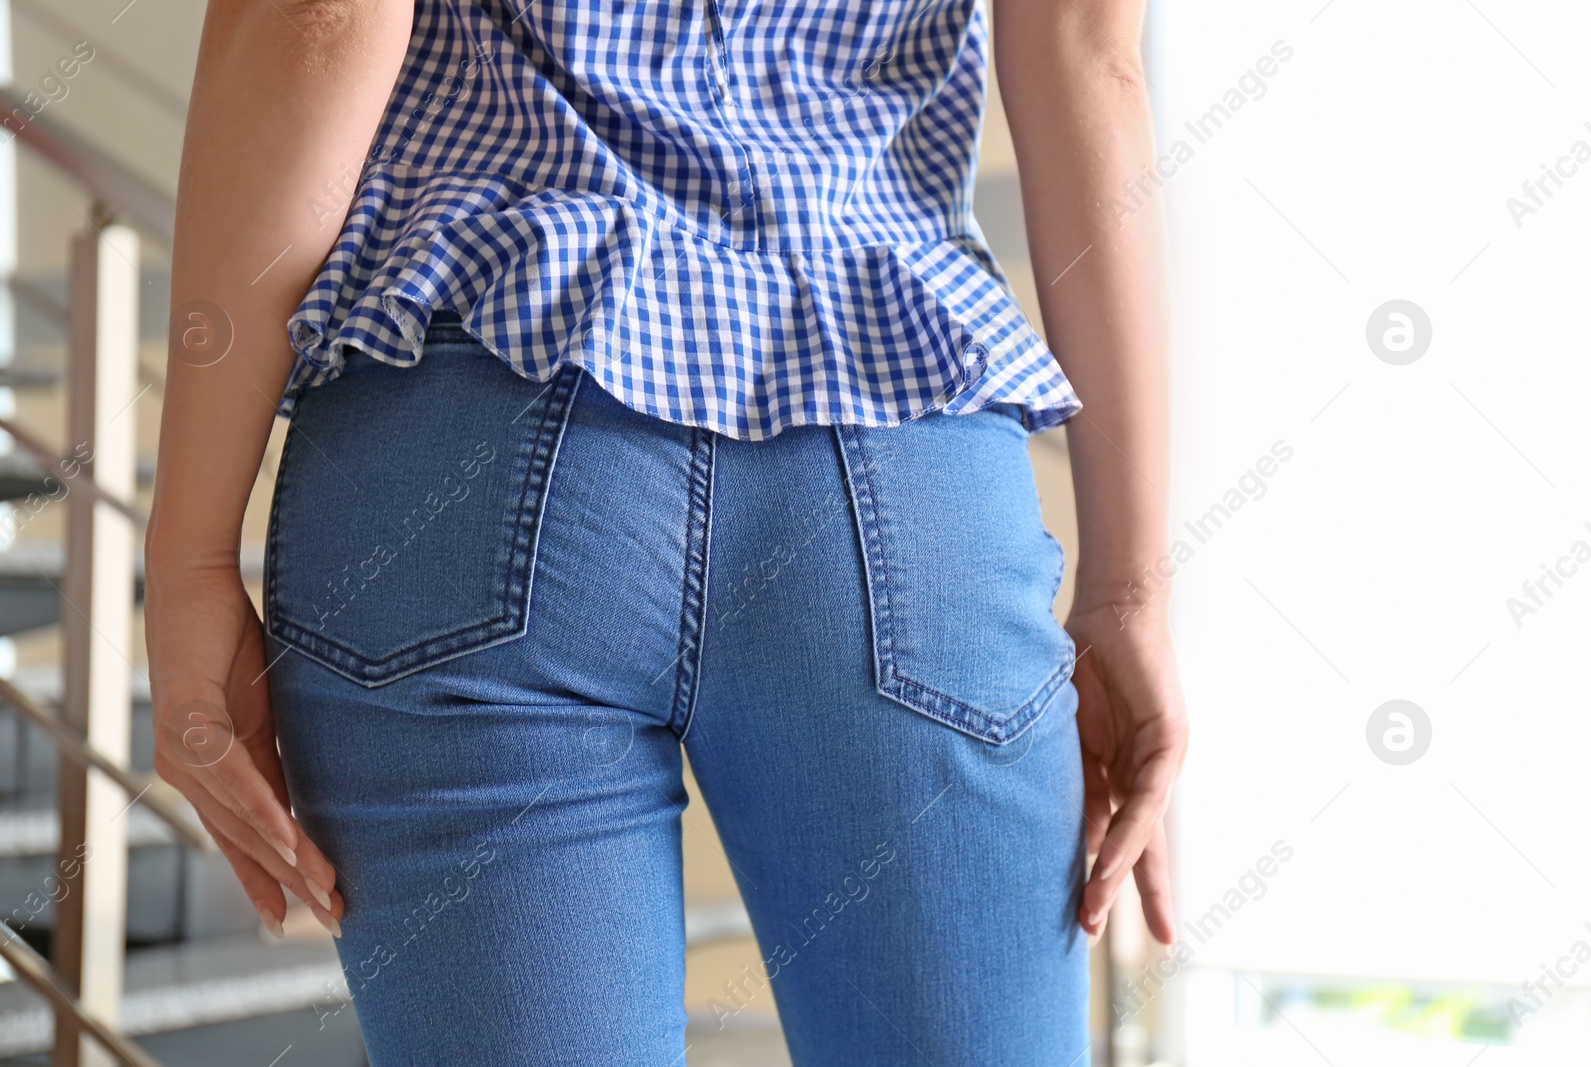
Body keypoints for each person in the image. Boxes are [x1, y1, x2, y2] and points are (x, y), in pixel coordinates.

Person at [145, 0, 1187, 1061]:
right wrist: (1130, 584)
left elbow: (313, 19)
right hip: (892, 442)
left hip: (475, 417)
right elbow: (1087, 58)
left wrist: (187, 557)